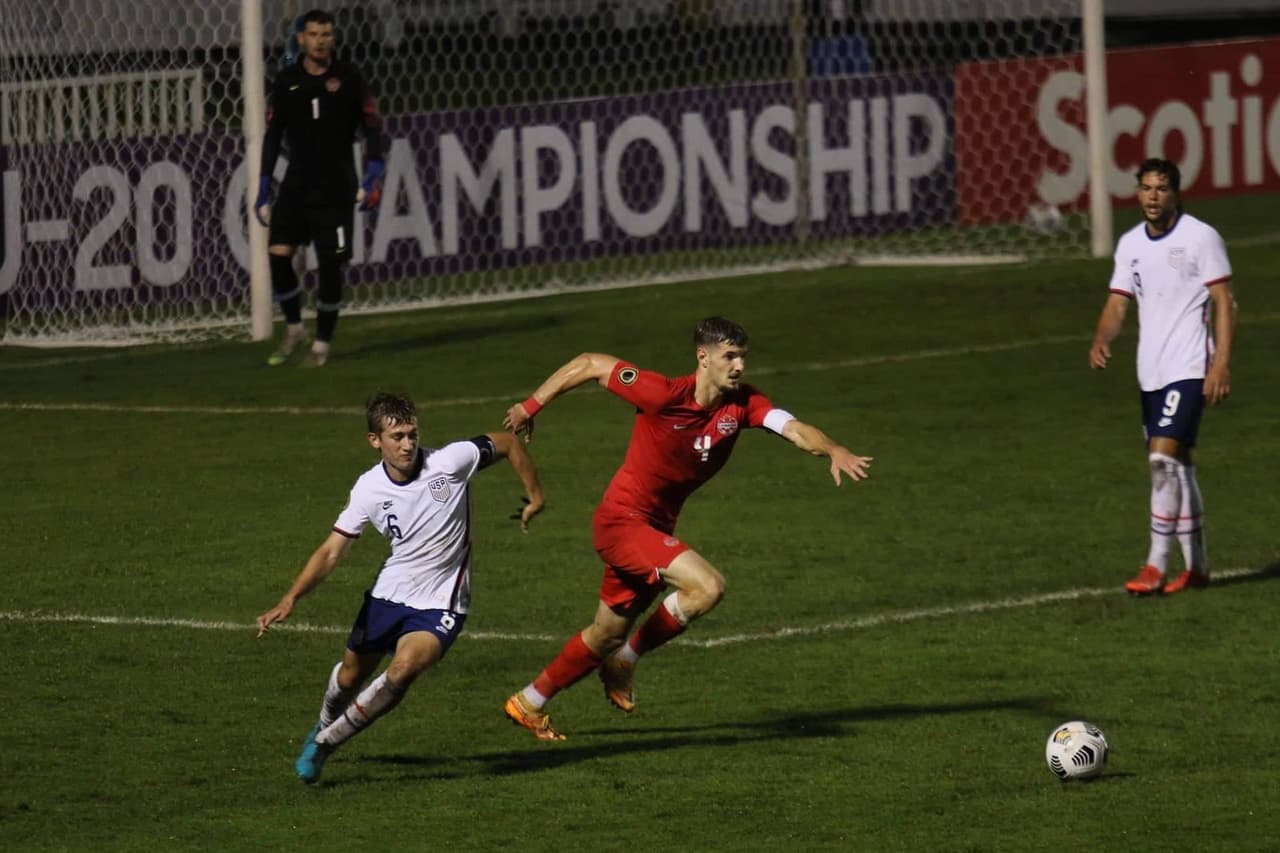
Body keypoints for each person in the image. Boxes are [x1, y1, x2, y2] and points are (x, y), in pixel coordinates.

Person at [499, 316, 872, 740]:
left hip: (653, 528)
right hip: (622, 521)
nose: (738, 366)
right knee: (707, 587)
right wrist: (530, 406)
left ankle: (529, 701)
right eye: (729, 356)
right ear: (703, 357)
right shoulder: (662, 394)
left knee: (604, 634)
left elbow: (793, 427)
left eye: (742, 357)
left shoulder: (744, 405)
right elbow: (591, 363)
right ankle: (626, 659)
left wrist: (832, 449)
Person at [256, 392, 544, 782]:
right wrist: (290, 597)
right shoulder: (368, 490)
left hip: (443, 601)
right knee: (348, 679)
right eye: (397, 437)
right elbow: (331, 551)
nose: (408, 444)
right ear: (375, 441)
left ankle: (326, 743)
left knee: (403, 669)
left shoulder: (450, 461)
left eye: (412, 434)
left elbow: (508, 443)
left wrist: (535, 495)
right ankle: (324, 723)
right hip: (388, 595)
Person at [1089, 157, 1236, 596]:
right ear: (1137, 192)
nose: (1153, 197)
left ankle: (1154, 565)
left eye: (1162, 188)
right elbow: (1118, 303)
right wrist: (1101, 338)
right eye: (1146, 188)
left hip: (1189, 365)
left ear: (1176, 193)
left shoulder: (1200, 237)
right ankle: (1199, 567)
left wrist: (1221, 362)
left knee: (1161, 461)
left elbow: (1224, 302)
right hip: (1149, 372)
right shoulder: (1131, 243)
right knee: (1180, 465)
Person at [254, 9, 385, 368]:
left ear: (333, 38)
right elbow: (274, 134)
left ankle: (322, 346)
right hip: (297, 185)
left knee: (330, 266)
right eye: (313, 34)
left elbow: (373, 125)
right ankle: (295, 327)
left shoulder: (348, 78)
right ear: (301, 39)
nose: (320, 40)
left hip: (336, 187)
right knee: (278, 255)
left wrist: (375, 168)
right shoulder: (287, 80)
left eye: (326, 34)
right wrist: (265, 183)